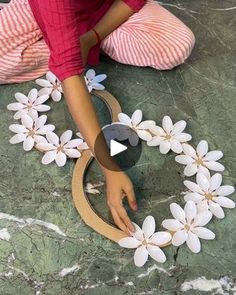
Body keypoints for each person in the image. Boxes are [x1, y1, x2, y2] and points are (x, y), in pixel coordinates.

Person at [0, 0, 195, 235]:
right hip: (44, 14)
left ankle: (77, 44)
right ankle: (64, 46)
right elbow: (71, 71)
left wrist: (92, 37)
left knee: (177, 46)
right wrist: (109, 165)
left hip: (107, 10)